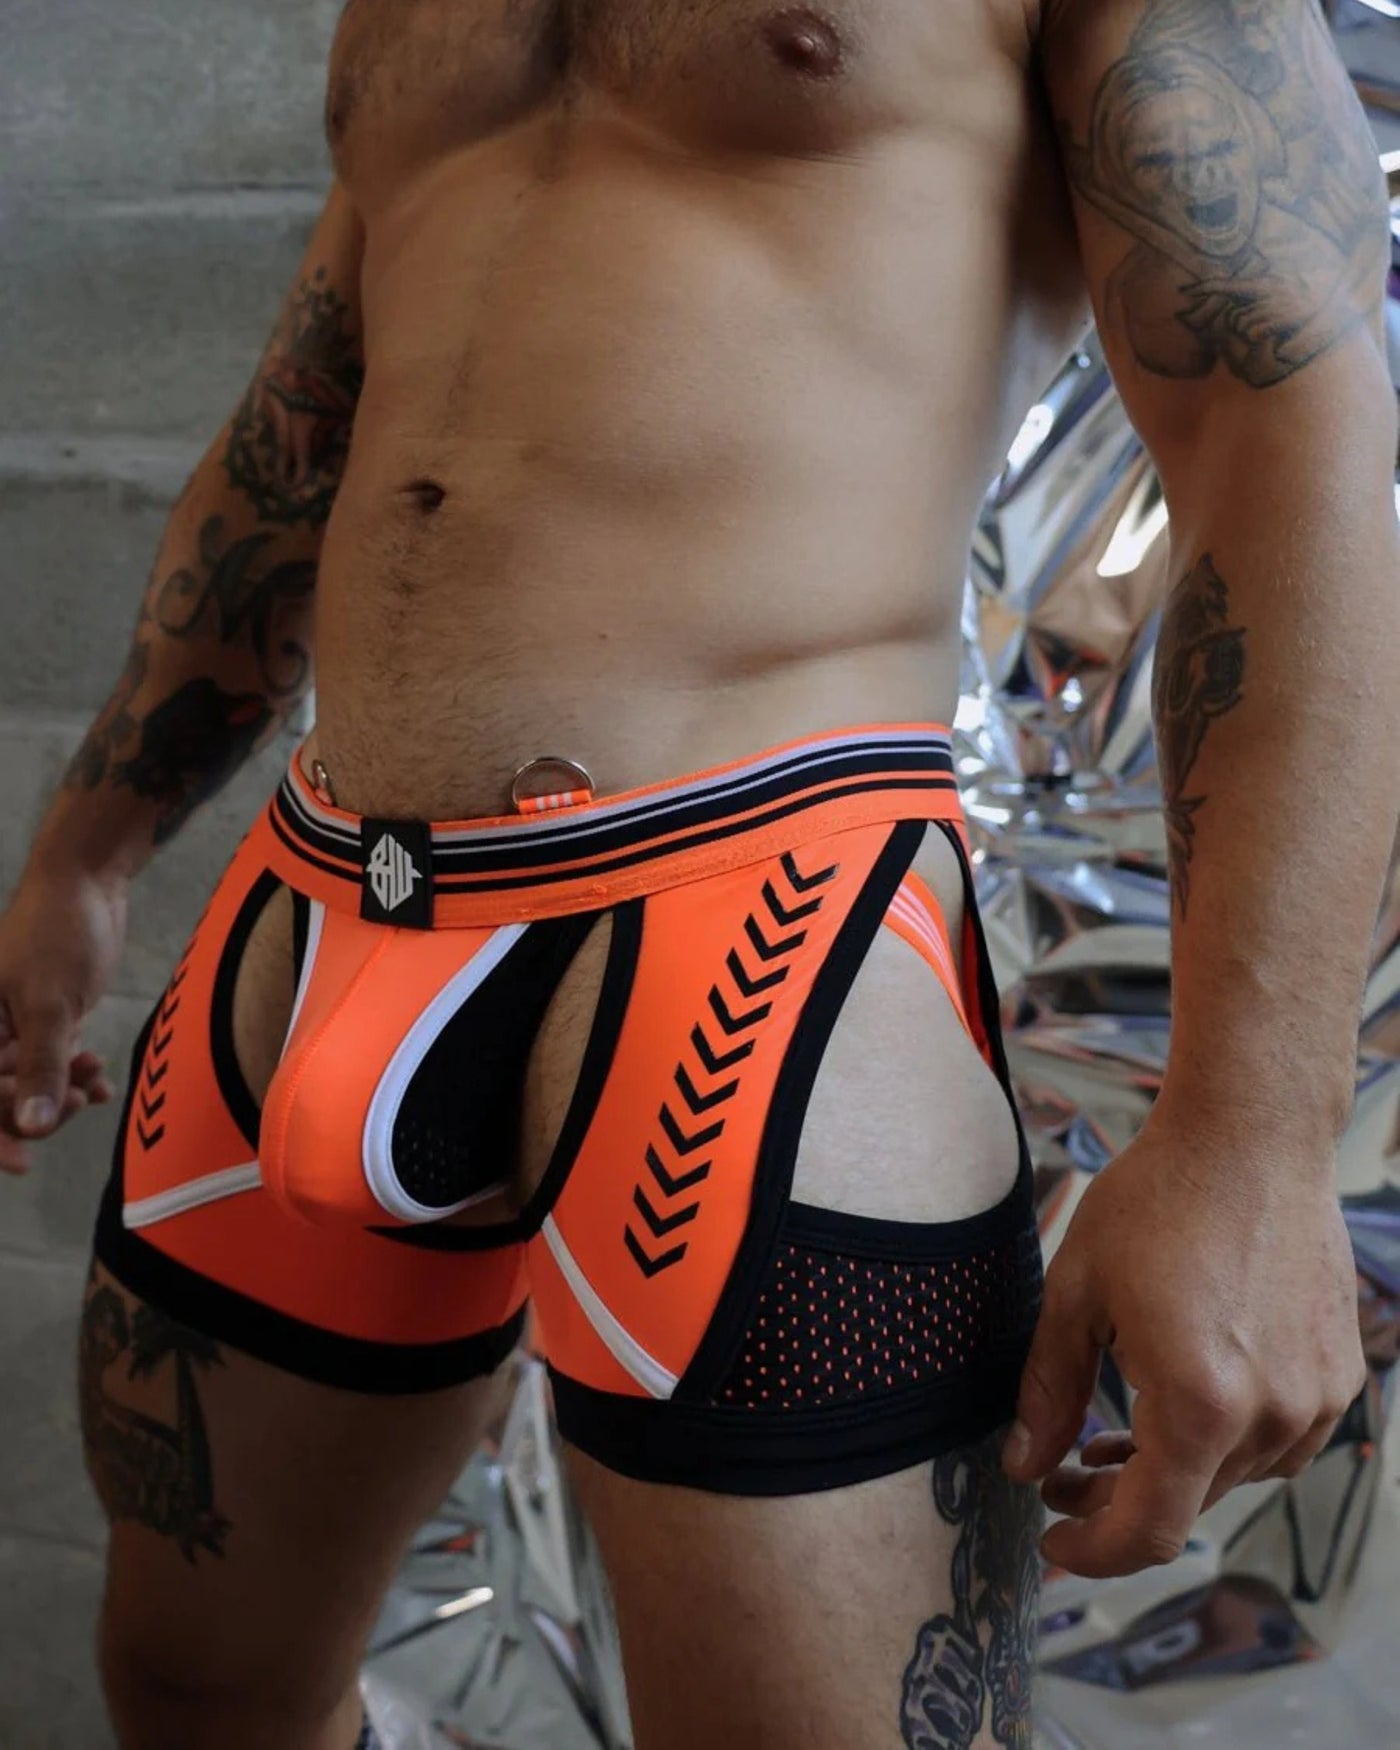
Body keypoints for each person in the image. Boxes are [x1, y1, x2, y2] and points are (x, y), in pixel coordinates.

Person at [1, 1, 1395, 1746]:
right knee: (193, 1689)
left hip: (764, 918)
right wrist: (86, 854)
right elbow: (300, 436)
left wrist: (1258, 1130)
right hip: (319, 892)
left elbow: (1285, 403)